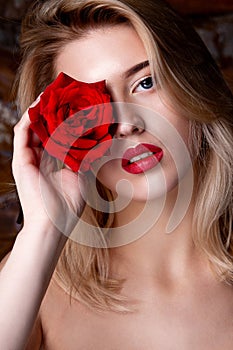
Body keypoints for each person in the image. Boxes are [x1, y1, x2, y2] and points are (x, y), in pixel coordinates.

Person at [0, 0, 233, 348]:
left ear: (193, 84)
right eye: (92, 106)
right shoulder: (31, 279)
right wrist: (46, 228)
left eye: (146, 82)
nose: (126, 124)